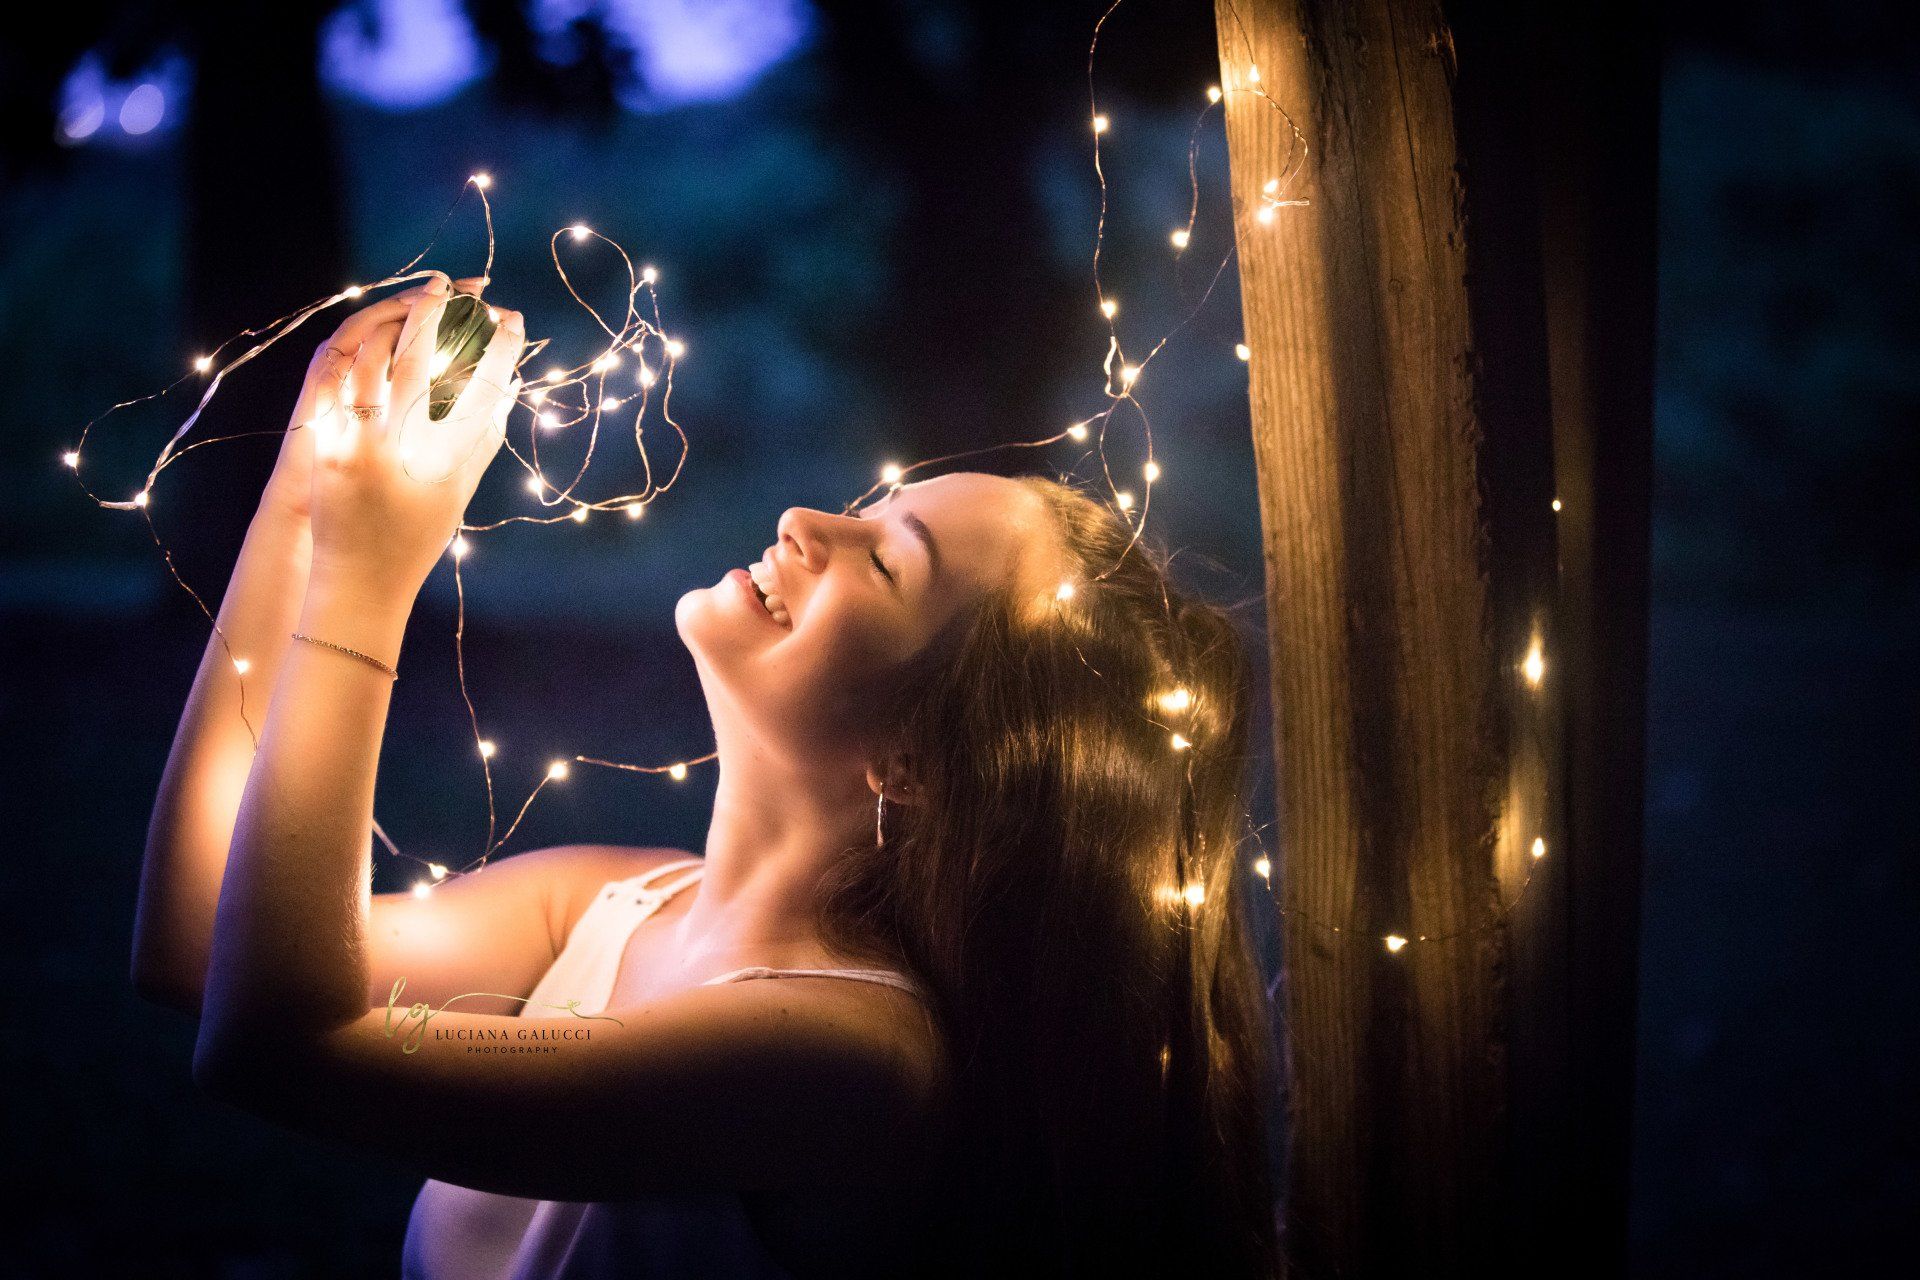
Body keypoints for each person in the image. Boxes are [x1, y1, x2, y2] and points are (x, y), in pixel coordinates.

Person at [132, 276, 1281, 1277]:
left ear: (918, 760)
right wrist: (303, 488)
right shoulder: (609, 902)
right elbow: (197, 947)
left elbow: (279, 1042)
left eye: (884, 559)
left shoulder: (850, 1058)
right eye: (868, 507)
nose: (805, 520)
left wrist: (370, 569)